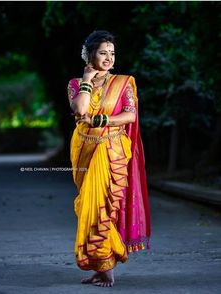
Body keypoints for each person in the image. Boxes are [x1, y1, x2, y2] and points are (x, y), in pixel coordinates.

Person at [67, 30, 151, 287]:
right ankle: (97, 265)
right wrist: (86, 80)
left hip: (112, 150)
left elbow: (130, 116)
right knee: (88, 207)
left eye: (112, 53)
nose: (109, 58)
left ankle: (107, 265)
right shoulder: (75, 84)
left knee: (104, 207)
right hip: (84, 149)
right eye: (103, 52)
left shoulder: (124, 83)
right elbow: (80, 110)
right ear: (89, 54)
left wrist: (101, 120)